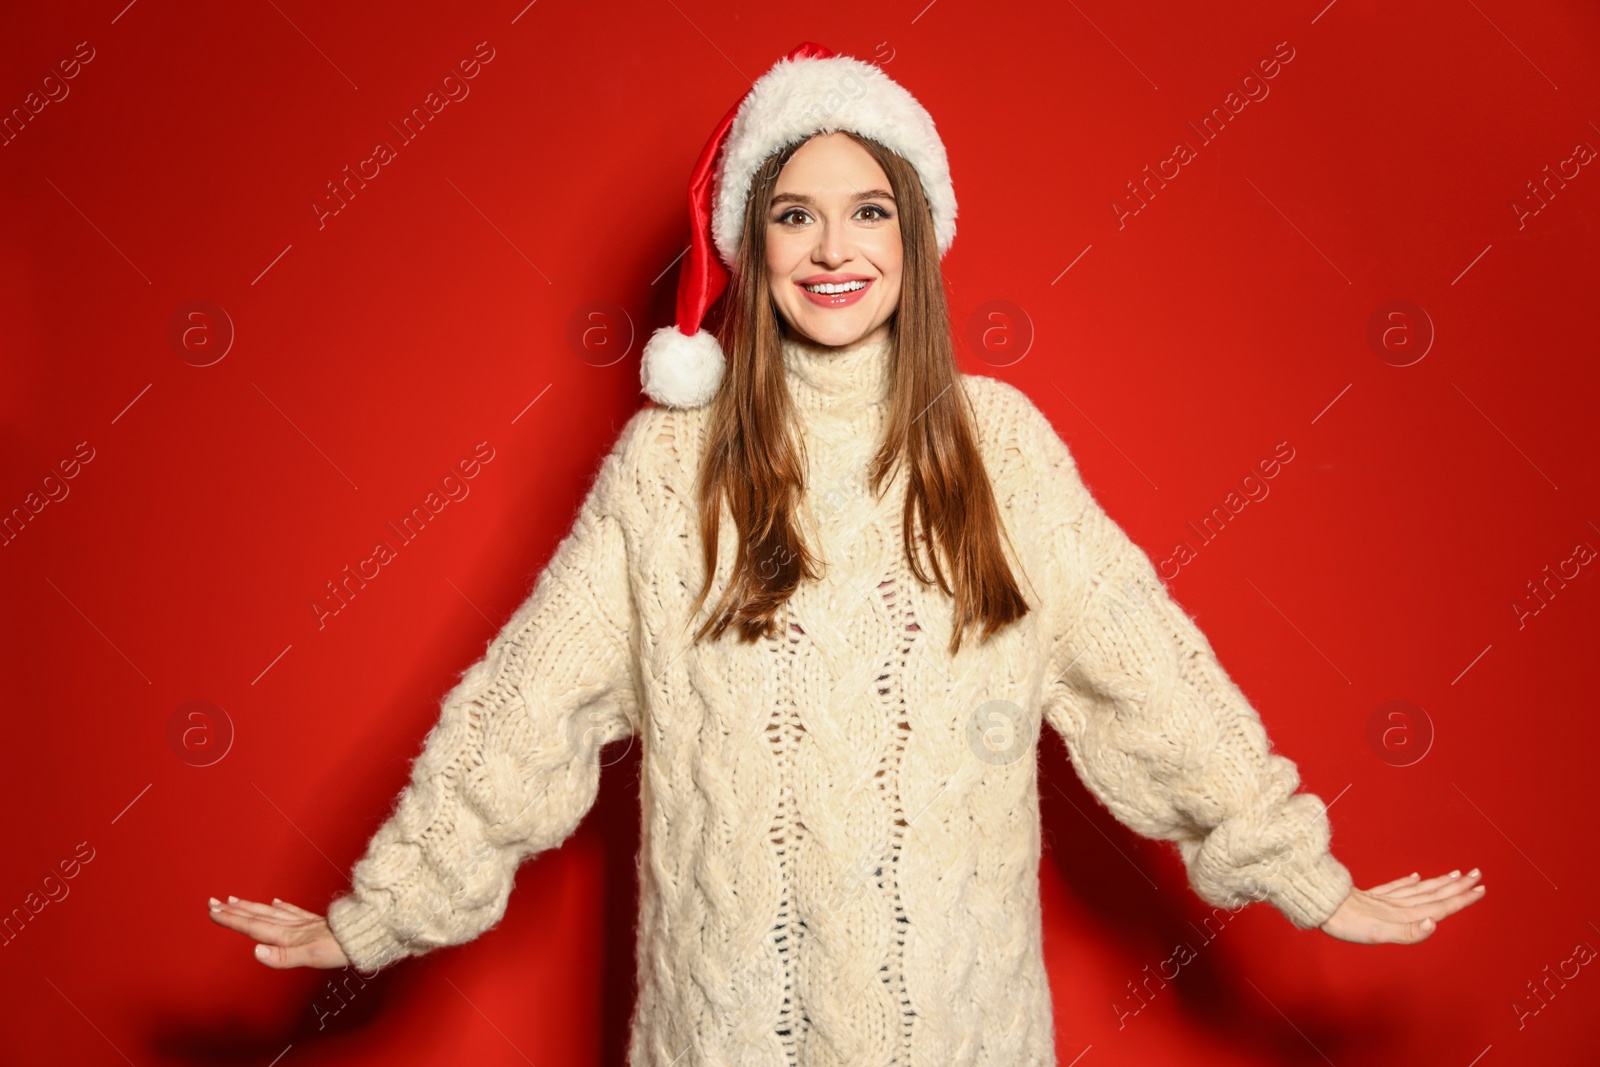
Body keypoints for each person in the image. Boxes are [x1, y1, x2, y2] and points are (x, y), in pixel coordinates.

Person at [210, 42, 1485, 1064]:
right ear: (748, 247)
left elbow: (1146, 671)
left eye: (868, 210)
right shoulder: (671, 469)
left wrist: (1303, 876)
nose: (834, 249)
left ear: (916, 236)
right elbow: (524, 706)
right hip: (717, 1033)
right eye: (795, 216)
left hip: (963, 1031)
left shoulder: (1001, 451)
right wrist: (379, 911)